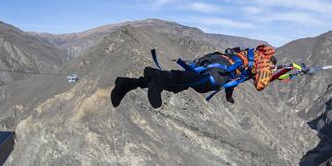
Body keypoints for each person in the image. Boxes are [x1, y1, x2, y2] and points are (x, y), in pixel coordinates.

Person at [111, 45, 277, 109]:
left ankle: (128, 83)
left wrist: (229, 96)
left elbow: (235, 77)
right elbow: (261, 84)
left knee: (184, 81)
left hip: (214, 63)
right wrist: (268, 71)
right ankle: (157, 76)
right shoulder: (263, 61)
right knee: (200, 84)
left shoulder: (249, 53)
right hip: (217, 73)